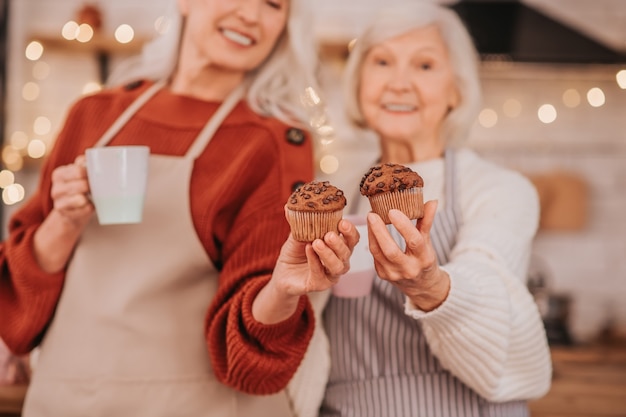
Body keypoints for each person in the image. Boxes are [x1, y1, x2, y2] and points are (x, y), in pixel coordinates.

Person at [0, 0, 358, 416]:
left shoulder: (271, 143)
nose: (251, 15)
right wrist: (63, 222)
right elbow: (17, 317)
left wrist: (281, 290)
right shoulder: (93, 115)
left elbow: (253, 359)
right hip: (67, 400)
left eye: (273, 4)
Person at [319, 2, 552, 416]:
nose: (399, 82)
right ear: (358, 83)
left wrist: (430, 286)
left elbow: (489, 279)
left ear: (456, 90)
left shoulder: (499, 190)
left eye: (424, 66)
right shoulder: (334, 197)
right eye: (383, 62)